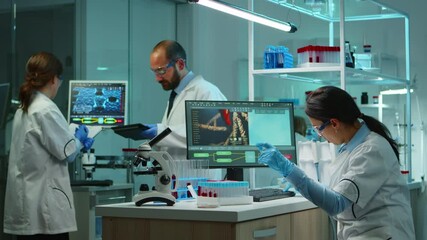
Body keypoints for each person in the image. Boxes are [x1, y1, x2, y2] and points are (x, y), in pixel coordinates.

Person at [257, 86, 415, 239]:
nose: (319, 135)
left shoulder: (371, 150)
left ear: (334, 123)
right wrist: (298, 182)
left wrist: (291, 171)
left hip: (381, 234)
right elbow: (341, 191)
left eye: (318, 128)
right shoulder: (350, 147)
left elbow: (336, 203)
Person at [3, 52, 94, 240]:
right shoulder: (46, 109)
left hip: (28, 206)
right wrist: (79, 138)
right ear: (54, 79)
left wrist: (72, 139)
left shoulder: (25, 107)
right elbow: (68, 152)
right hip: (45, 213)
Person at [140, 40, 226, 160]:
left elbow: (212, 134)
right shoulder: (176, 94)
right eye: (154, 72)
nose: (157, 79)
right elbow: (174, 141)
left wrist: (159, 132)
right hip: (175, 174)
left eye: (161, 71)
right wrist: (154, 141)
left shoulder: (206, 91)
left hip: (199, 175)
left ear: (180, 64)